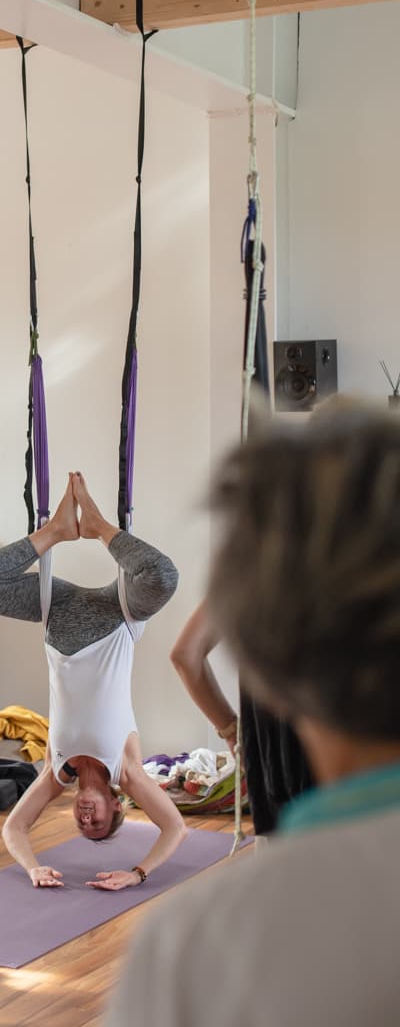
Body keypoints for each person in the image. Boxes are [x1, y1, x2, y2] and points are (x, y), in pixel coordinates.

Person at [105, 403, 400, 1026]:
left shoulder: (199, 948)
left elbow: (187, 655)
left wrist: (233, 730)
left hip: (281, 782)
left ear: (264, 654)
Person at [0, 472, 186, 891]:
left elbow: (14, 828)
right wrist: (137, 875)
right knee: (163, 576)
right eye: (98, 823)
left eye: (83, 827)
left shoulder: (55, 770)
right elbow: (175, 828)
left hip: (56, 610)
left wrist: (33, 869)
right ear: (117, 804)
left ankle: (53, 532)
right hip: (119, 614)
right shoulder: (128, 771)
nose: (86, 820)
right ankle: (100, 528)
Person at [170, 600, 313, 832]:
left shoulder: (246, 571)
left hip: (269, 757)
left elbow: (185, 654)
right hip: (345, 758)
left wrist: (231, 733)